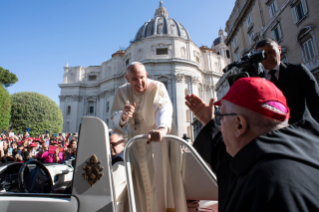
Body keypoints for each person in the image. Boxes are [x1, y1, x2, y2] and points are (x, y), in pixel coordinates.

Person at [186, 77, 319, 211]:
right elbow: (227, 158)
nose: (220, 127)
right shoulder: (306, 152)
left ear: (239, 124)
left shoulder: (264, 187)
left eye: (221, 118)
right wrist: (208, 122)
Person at [111, 62, 187, 212]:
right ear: (127, 79)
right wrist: (124, 116)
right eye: (134, 79)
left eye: (141, 78)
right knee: (139, 188)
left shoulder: (157, 86)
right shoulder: (121, 91)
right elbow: (115, 116)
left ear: (146, 75)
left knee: (160, 184)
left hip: (158, 146)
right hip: (135, 148)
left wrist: (162, 128)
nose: (139, 83)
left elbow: (163, 108)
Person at [256, 38, 319, 124]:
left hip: (301, 130)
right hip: (274, 134)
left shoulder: (298, 71)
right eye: (263, 54)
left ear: (279, 50)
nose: (268, 57)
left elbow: (316, 103)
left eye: (271, 51)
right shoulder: (257, 81)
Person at [110, 133, 128, 212]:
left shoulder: (118, 160)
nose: (110, 147)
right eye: (109, 144)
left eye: (113, 144)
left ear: (122, 145)